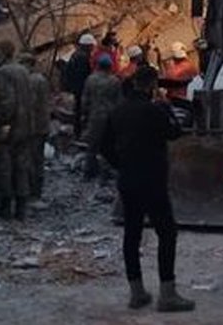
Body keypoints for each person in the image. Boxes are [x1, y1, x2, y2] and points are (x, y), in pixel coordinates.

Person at [98, 66, 195, 313]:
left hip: (128, 180)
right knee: (167, 233)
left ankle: (137, 292)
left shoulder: (118, 112)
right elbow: (175, 132)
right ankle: (167, 293)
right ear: (152, 85)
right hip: (153, 180)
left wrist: (122, 164)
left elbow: (104, 146)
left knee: (132, 234)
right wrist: (166, 107)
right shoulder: (154, 110)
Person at [0, 43, 35, 220]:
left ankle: (6, 207)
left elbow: (7, 101)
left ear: (2, 53)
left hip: (10, 127)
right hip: (25, 125)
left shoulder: (3, 72)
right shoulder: (23, 70)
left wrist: (0, 122)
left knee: (5, 167)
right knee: (21, 166)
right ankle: (22, 208)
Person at [82, 54, 123, 182]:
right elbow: (119, 102)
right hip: (110, 117)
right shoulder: (115, 81)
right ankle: (105, 172)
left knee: (92, 145)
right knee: (108, 145)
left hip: (94, 116)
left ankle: (89, 172)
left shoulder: (90, 79)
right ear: (110, 66)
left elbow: (85, 100)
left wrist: (85, 114)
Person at [25, 53, 51, 201]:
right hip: (42, 125)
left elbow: (31, 104)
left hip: (33, 126)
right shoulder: (41, 79)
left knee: (32, 161)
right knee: (37, 160)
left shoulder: (32, 80)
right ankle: (36, 192)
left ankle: (33, 193)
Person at [62, 33, 96, 136]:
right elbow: (84, 75)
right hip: (81, 88)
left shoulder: (75, 54)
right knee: (81, 111)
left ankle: (78, 131)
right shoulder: (82, 57)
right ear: (88, 46)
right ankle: (79, 133)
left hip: (76, 88)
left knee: (78, 110)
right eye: (91, 46)